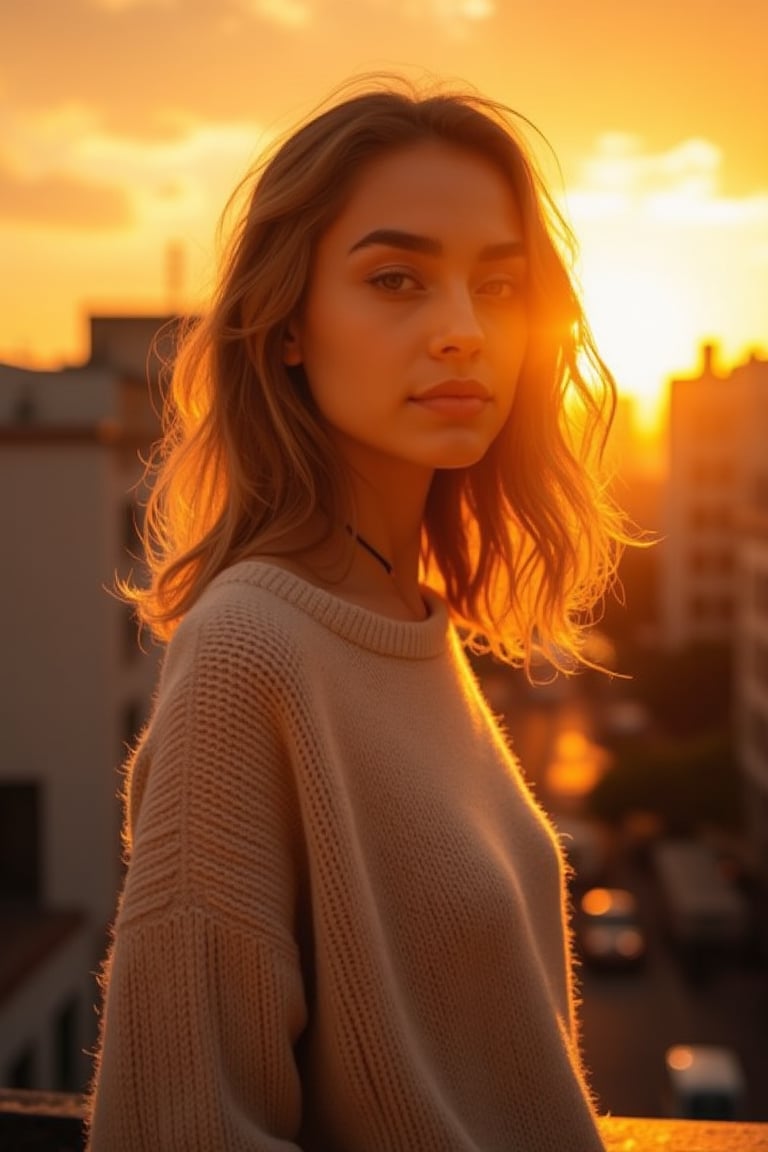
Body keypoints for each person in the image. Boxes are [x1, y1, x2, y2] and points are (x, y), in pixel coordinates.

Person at [86, 75, 628, 1151]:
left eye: (502, 286)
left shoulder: (414, 622)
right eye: (396, 279)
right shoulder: (252, 652)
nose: (465, 331)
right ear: (286, 326)